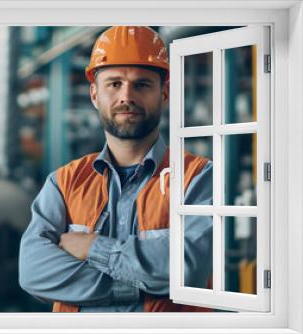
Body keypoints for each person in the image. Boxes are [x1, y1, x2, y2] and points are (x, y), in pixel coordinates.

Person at [18, 26, 213, 312]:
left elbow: (188, 268)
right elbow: (33, 272)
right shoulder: (64, 183)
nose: (127, 96)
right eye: (114, 84)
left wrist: (92, 247)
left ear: (165, 93)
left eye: (142, 84)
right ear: (95, 94)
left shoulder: (196, 178)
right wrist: (138, 285)